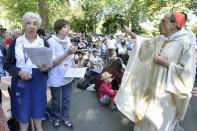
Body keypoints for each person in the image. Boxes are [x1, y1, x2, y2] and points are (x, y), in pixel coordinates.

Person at [114, 11, 196, 131]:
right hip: (150, 89)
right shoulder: (161, 39)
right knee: (143, 122)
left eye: (163, 21)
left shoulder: (186, 43)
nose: (159, 24)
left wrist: (166, 63)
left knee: (157, 125)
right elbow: (144, 43)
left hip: (166, 98)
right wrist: (129, 32)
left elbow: (187, 73)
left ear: (175, 25)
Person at [4, 12, 49, 131]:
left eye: (35, 23)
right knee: (23, 120)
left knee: (38, 117)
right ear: (23, 25)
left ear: (38, 26)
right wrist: (18, 72)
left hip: (38, 82)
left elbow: (48, 66)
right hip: (20, 83)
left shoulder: (44, 43)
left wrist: (45, 69)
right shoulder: (16, 42)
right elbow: (8, 65)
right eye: (28, 23)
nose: (31, 26)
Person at [47, 19, 76, 129]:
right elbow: (52, 63)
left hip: (68, 75)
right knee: (56, 100)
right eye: (65, 27)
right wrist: (67, 53)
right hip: (56, 77)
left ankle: (65, 118)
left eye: (68, 27)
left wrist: (74, 65)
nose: (67, 29)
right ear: (58, 29)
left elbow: (71, 57)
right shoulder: (51, 42)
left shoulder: (68, 40)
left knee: (66, 99)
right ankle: (56, 118)